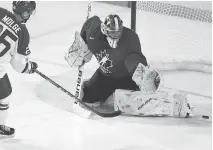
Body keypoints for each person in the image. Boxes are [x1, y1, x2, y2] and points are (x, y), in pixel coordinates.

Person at [67, 14, 194, 118]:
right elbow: (89, 23)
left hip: (126, 79)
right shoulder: (94, 33)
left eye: (118, 33)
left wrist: (142, 74)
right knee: (87, 98)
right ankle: (112, 96)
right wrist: (81, 45)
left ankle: (176, 103)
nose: (116, 38)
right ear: (104, 30)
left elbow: (135, 58)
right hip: (104, 76)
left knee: (130, 103)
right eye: (112, 34)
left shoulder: (130, 38)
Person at [0, 1, 38, 137]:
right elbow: (19, 65)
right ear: (25, 12)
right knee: (5, 93)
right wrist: (29, 67)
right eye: (29, 12)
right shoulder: (22, 33)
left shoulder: (1, 12)